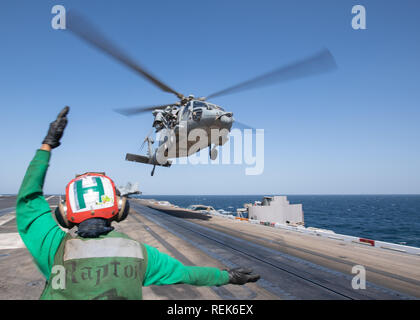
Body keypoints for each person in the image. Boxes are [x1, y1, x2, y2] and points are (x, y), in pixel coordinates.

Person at [16, 106, 260, 300]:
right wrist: (228, 276)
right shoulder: (141, 255)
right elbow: (188, 273)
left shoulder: (53, 248)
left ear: (65, 213)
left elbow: (28, 200)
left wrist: (47, 144)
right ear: (120, 209)